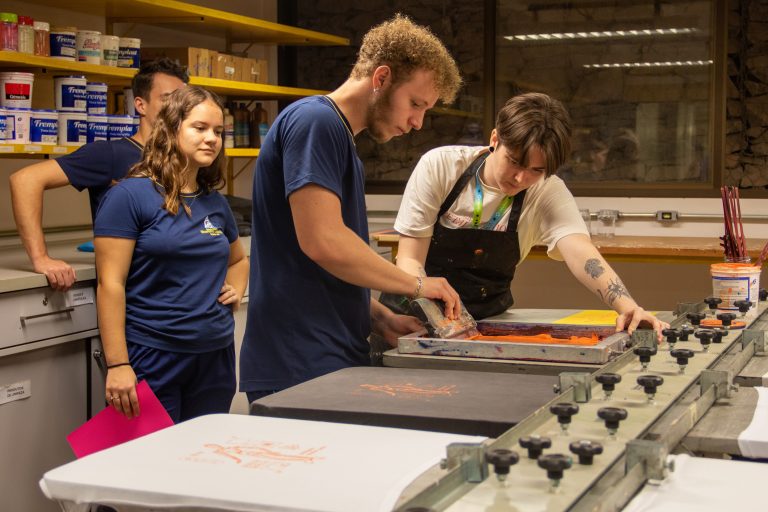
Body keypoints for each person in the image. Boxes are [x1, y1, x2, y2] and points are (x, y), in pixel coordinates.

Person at [239, 14, 463, 402]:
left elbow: (317, 270)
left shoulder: (341, 141)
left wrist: (379, 317)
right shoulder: (316, 122)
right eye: (415, 104)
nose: (417, 122)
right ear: (381, 78)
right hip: (300, 360)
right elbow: (323, 242)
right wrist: (415, 285)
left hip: (327, 353)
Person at [393, 92, 668, 340]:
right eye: (514, 161)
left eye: (537, 170)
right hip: (409, 320)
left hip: (483, 326)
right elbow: (409, 259)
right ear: (495, 139)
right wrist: (436, 321)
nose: (521, 178)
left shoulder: (547, 191)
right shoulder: (441, 167)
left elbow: (581, 252)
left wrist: (628, 307)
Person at [94, 86, 248, 421]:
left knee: (203, 449)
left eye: (218, 132)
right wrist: (118, 364)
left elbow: (238, 260)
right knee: (148, 452)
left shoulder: (215, 202)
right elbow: (110, 284)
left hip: (215, 354)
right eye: (200, 128)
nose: (212, 139)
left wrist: (236, 290)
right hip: (153, 354)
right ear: (171, 129)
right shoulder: (129, 196)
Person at [9, 58, 188, 292]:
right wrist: (41, 257)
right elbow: (25, 180)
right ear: (141, 105)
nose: (177, 108)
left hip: (180, 292)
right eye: (167, 99)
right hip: (134, 295)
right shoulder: (110, 154)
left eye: (182, 100)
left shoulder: (186, 158)